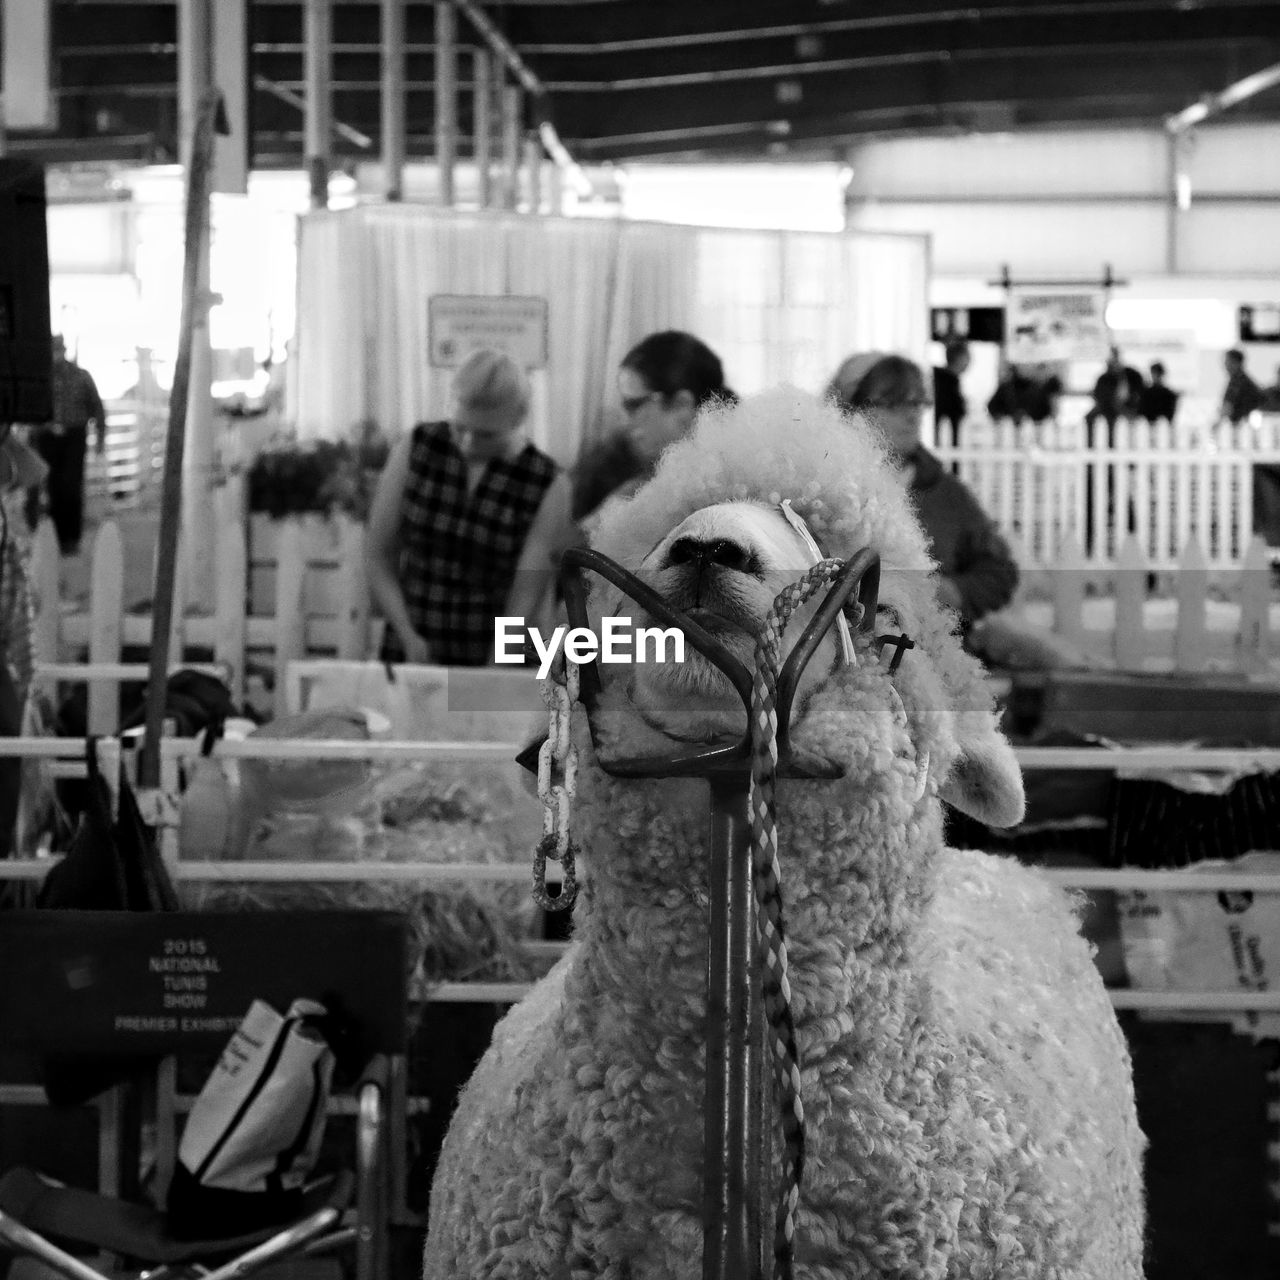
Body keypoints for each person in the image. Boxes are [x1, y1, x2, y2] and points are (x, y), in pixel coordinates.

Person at [365, 348, 575, 666]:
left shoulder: (546, 483)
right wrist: (406, 633)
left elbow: (526, 593)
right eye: (459, 428)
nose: (467, 444)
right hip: (411, 641)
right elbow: (378, 552)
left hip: (493, 649)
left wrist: (495, 666)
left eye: (486, 435)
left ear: (518, 420)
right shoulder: (417, 448)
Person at [826, 352, 1018, 626]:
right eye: (893, 403)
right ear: (854, 410)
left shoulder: (945, 492)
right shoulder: (827, 490)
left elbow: (999, 570)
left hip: (930, 650)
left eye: (917, 402)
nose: (912, 415)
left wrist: (957, 592)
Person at [572, 330, 735, 523]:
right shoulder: (620, 468)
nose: (625, 421)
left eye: (634, 405)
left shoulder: (728, 488)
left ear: (682, 405)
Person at [26, 335, 106, 555]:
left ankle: (71, 539)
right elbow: (31, 409)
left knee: (71, 487)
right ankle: (54, 538)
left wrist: (100, 438)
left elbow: (96, 407)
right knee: (51, 488)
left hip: (74, 436)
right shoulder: (40, 377)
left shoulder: (80, 376)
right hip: (47, 437)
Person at [1087, 346, 1145, 432]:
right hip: (1108, 408)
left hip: (1128, 407)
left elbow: (1139, 392)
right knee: (1091, 418)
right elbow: (1098, 395)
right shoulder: (1104, 378)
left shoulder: (1132, 375)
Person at [931, 338, 970, 446]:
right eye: (967, 357)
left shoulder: (939, 378)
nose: (969, 361)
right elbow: (956, 411)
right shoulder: (948, 383)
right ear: (960, 358)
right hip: (945, 441)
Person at [1221, 348, 1263, 424]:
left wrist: (1218, 422)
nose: (1225, 364)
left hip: (1244, 424)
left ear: (1236, 363)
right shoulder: (1240, 379)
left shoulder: (1239, 382)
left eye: (1227, 361)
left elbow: (1228, 406)